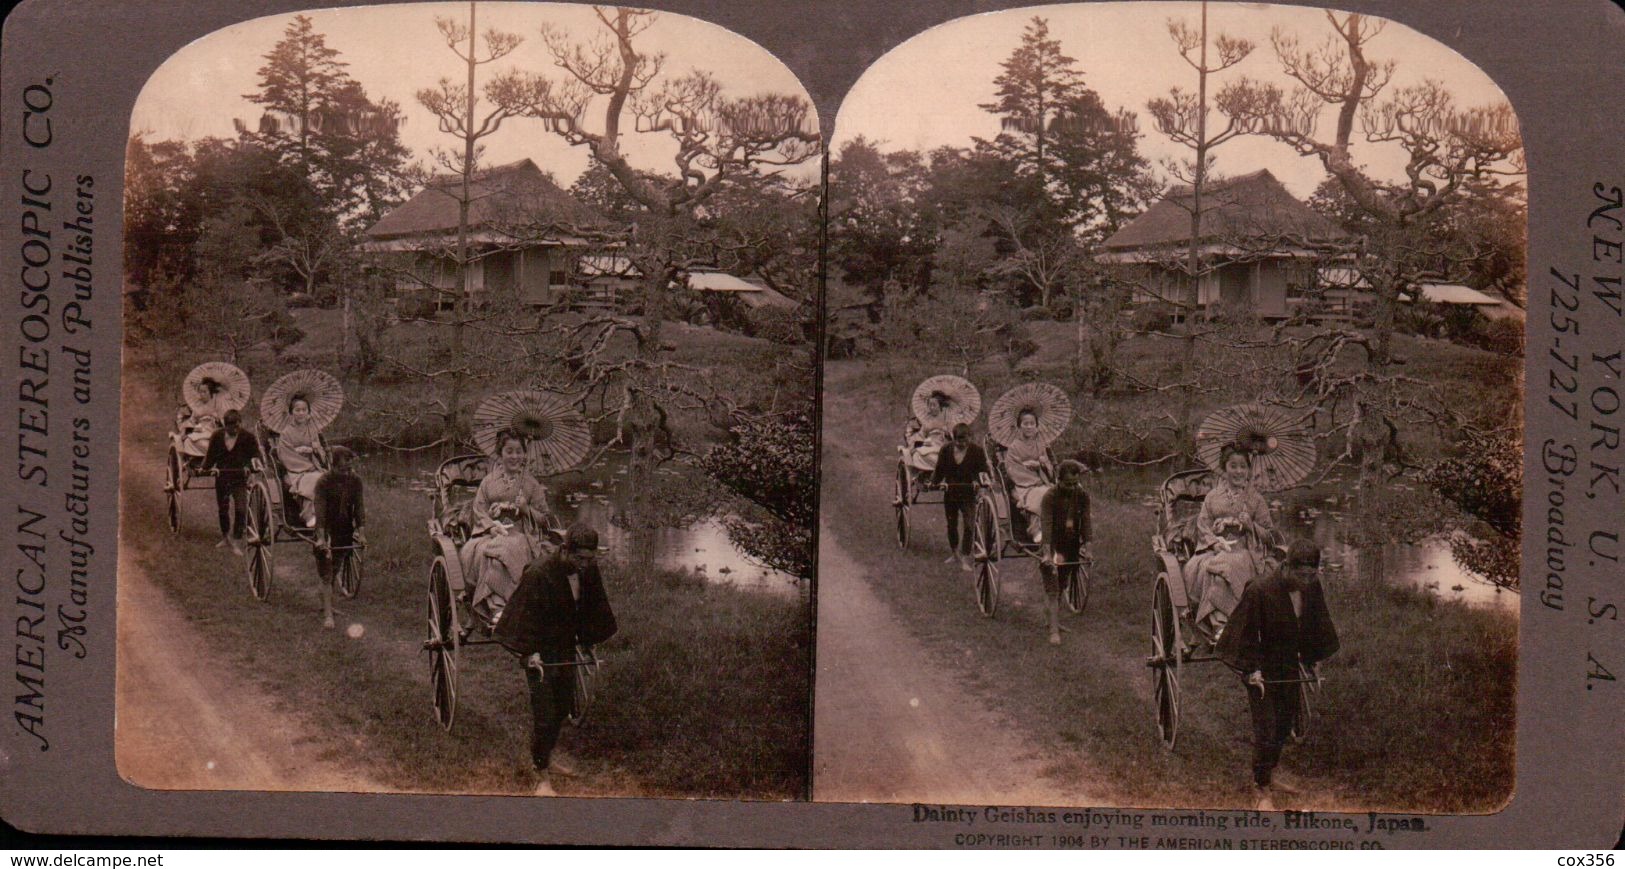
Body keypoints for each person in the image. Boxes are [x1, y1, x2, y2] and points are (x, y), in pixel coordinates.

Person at [494, 525, 618, 797]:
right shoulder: (539, 573)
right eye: (579, 559)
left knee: (563, 707)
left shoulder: (587, 570)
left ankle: (546, 757)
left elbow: (592, 607)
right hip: (539, 649)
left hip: (563, 646)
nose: (584, 565)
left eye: (589, 559)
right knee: (545, 713)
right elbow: (522, 617)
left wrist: (587, 639)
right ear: (565, 550)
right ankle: (541, 776)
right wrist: (529, 653)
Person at [1216, 539, 1338, 806]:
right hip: (1260, 667)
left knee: (1284, 725)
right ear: (1287, 567)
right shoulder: (1260, 589)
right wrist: (1251, 670)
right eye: (1301, 575)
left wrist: (1314, 658)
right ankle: (1261, 788)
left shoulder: (1311, 587)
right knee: (1267, 729)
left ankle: (1269, 775)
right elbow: (1243, 633)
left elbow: (1316, 623)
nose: (1306, 581)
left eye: (1311, 575)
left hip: (1287, 664)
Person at [1183, 444, 1276, 641]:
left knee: (1223, 566)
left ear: (1248, 470)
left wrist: (1250, 525)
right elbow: (1202, 526)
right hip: (1215, 548)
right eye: (1233, 466)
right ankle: (1217, 623)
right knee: (1203, 566)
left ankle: (1226, 622)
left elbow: (1269, 534)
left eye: (1243, 467)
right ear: (1224, 469)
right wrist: (1214, 543)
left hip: (1245, 550)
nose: (1238, 471)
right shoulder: (1212, 497)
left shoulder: (1255, 499)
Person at [462, 430, 553, 622]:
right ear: (500, 453)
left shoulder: (530, 484)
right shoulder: (488, 482)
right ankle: (495, 605)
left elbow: (544, 518)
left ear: (524, 454)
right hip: (490, 533)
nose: (514, 456)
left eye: (519, 451)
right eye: (509, 451)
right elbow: (478, 510)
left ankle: (506, 604)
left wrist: (526, 508)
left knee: (504, 549)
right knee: (486, 550)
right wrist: (490, 526)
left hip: (521, 534)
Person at [1038, 460, 1091, 645]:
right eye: (1067, 484)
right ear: (1058, 481)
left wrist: (1088, 547)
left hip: (1070, 544)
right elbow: (1046, 524)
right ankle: (1053, 630)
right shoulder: (1049, 497)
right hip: (1051, 543)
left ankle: (1052, 621)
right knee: (1052, 587)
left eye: (1075, 483)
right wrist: (1046, 552)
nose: (1072, 487)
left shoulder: (1082, 495)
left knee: (1061, 584)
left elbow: (1085, 521)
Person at [313, 446, 365, 629]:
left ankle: (326, 604)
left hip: (344, 529)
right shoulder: (323, 482)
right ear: (333, 466)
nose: (346, 473)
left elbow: (359, 508)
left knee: (335, 569)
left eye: (349, 469)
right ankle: (328, 615)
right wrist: (321, 537)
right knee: (326, 573)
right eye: (342, 470)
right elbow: (319, 512)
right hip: (326, 528)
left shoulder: (355, 481)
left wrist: (361, 532)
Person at [929, 423, 987, 570]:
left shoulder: (977, 451)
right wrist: (934, 483)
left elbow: (982, 471)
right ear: (953, 439)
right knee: (952, 524)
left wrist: (980, 484)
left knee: (969, 524)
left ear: (970, 438)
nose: (962, 444)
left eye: (965, 441)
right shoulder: (946, 450)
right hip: (951, 493)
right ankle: (955, 553)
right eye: (959, 441)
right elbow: (939, 470)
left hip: (968, 493)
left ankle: (966, 556)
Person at [200, 409, 258, 555]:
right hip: (223, 477)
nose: (235, 430)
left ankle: (237, 539)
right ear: (225, 426)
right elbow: (210, 457)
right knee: (223, 509)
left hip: (239, 478)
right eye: (232, 427)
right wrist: (205, 469)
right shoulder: (217, 436)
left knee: (241, 508)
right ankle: (226, 536)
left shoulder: (248, 437)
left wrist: (249, 467)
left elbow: (255, 457)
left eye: (238, 426)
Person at [276, 396, 328, 527]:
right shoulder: (286, 433)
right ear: (291, 413)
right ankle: (308, 515)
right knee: (312, 479)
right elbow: (284, 454)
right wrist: (299, 454)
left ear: (308, 412)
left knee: (326, 478)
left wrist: (315, 449)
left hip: (313, 466)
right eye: (297, 410)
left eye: (304, 410)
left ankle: (323, 513)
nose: (301, 413)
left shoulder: (313, 430)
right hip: (295, 469)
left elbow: (321, 453)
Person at [1003, 409, 1054, 541]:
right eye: (1025, 423)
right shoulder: (1014, 447)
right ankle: (1035, 529)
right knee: (1040, 495)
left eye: (1032, 423)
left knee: (1053, 493)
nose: (1029, 427)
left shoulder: (1040, 445)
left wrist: (1041, 465)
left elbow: (1049, 467)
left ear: (1036, 426)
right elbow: (1012, 469)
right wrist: (1027, 467)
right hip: (1022, 485)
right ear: (1019, 426)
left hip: (1041, 482)